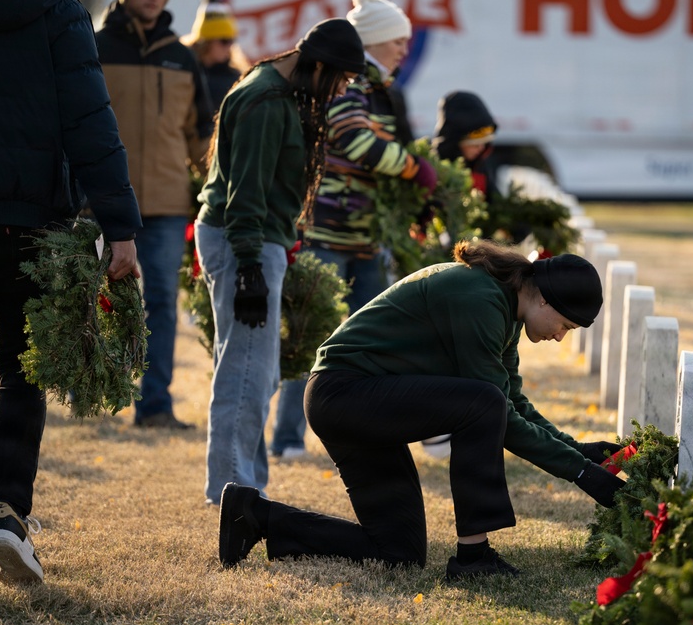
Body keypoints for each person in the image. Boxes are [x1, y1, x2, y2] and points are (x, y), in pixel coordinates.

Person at [218, 240, 626, 578]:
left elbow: (514, 402)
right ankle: (473, 556)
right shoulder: (481, 299)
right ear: (542, 297)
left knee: (399, 552)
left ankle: (255, 514)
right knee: (483, 403)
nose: (559, 337)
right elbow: (497, 412)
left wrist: (579, 452)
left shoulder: (504, 308)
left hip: (360, 401)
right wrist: (580, 473)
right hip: (343, 395)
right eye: (565, 326)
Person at [0, 0, 142, 598]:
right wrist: (120, 227)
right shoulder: (57, 5)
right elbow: (89, 118)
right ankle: (7, 512)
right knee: (23, 369)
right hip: (27, 216)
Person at [195, 19, 366, 506]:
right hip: (242, 241)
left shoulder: (280, 88)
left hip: (254, 238)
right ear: (316, 65)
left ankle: (247, 483)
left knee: (259, 370)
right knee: (245, 370)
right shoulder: (266, 102)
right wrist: (249, 265)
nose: (339, 91)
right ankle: (232, 489)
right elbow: (245, 190)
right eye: (339, 80)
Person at [271, 0, 436, 459]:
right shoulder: (353, 82)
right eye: (399, 40)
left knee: (381, 343)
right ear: (374, 41)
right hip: (326, 234)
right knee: (311, 338)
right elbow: (355, 143)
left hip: (368, 238)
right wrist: (411, 167)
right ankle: (286, 439)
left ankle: (375, 436)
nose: (407, 48)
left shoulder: (381, 88)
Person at [96, 0, 215, 430]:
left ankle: (155, 406)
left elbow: (202, 131)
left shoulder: (182, 56)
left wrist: (218, 185)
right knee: (95, 300)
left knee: (162, 301)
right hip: (102, 203)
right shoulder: (94, 46)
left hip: (166, 204)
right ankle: (87, 397)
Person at [181, 0, 250, 118]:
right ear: (206, 42)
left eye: (232, 40)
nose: (230, 46)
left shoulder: (237, 78)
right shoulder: (184, 72)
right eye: (224, 40)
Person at [432, 90, 503, 205]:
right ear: (456, 142)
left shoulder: (479, 165)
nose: (481, 148)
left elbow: (495, 201)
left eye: (484, 143)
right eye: (474, 144)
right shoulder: (435, 168)